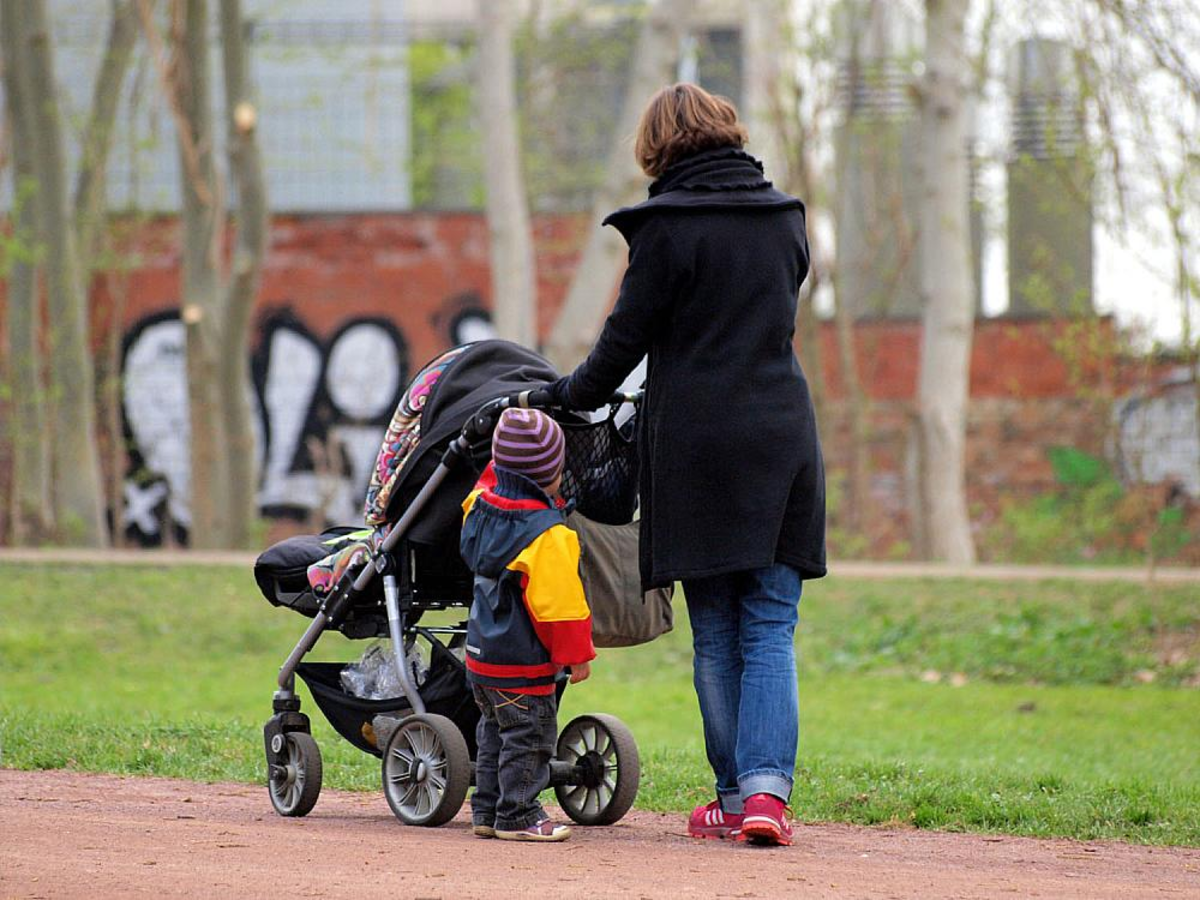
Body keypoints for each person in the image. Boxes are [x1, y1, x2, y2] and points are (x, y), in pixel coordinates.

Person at [548, 83, 826, 847]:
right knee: (770, 624)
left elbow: (620, 347)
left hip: (696, 447)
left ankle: (734, 796)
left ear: (656, 147)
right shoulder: (786, 220)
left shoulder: (667, 227)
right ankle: (765, 797)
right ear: (728, 132)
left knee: (716, 631)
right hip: (781, 439)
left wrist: (559, 396)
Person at [459, 407, 596, 842]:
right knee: (530, 737)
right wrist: (576, 656)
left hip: (481, 655)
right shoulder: (549, 536)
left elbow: (488, 481)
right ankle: (518, 814)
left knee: (493, 734)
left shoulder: (477, 507)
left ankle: (486, 810)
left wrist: (502, 463)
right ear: (552, 475)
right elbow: (560, 607)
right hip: (522, 663)